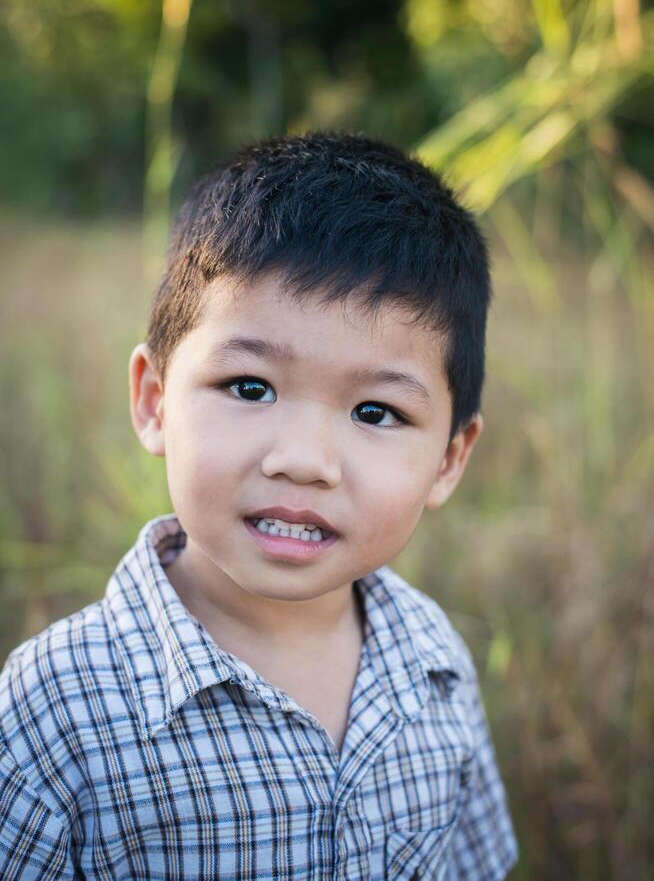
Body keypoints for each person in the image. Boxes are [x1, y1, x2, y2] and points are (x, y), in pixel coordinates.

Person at [0, 132, 518, 879]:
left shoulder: (435, 663)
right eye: (250, 387)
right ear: (153, 402)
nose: (303, 461)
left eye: (376, 412)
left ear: (448, 459)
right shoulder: (58, 709)